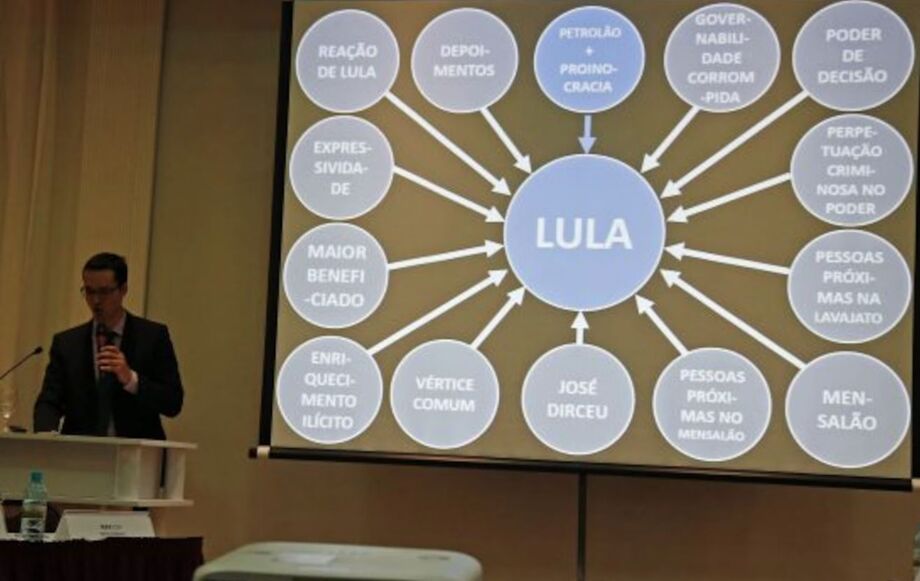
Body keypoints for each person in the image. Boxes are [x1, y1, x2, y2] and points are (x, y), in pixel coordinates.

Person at [33, 252, 183, 439]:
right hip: (81, 451)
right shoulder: (67, 344)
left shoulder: (152, 337)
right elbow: (49, 401)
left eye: (104, 292)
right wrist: (46, 436)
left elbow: (173, 402)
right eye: (89, 291)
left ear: (123, 289)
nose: (96, 300)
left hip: (136, 451)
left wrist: (131, 379)